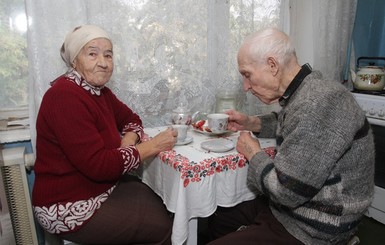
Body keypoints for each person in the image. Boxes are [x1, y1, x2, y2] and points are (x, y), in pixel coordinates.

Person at [207, 28, 375, 244]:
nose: (246, 87)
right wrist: (252, 123)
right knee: (220, 215)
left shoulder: (318, 103)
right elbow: (291, 122)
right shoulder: (306, 92)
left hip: (315, 225)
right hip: (290, 209)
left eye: (247, 75)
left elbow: (286, 192)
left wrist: (253, 153)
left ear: (272, 65)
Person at [32, 24, 178, 245]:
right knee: (165, 227)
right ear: (74, 61)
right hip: (66, 205)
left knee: (162, 201)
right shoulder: (64, 97)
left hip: (99, 188)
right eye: (92, 53)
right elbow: (99, 166)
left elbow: (132, 119)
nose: (103, 62)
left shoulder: (100, 93)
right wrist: (154, 145)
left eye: (108, 55)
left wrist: (128, 141)